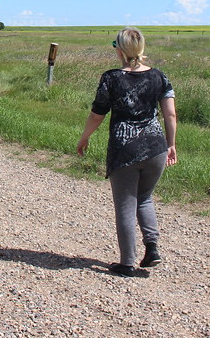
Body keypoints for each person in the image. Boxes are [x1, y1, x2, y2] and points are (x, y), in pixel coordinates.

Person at [76, 27, 178, 277]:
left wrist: (85, 137)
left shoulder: (111, 78)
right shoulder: (159, 77)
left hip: (125, 148)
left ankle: (127, 263)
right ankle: (152, 248)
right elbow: (170, 114)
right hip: (156, 148)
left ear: (120, 50)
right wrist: (171, 143)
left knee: (125, 203)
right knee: (144, 198)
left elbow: (97, 113)